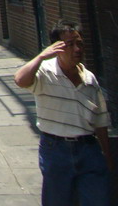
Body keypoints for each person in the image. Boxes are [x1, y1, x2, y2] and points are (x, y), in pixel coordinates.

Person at [14, 20, 113, 205]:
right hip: (55, 149)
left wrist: (107, 157)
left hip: (88, 149)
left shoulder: (89, 78)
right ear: (57, 48)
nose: (77, 49)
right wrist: (41, 56)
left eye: (80, 44)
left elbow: (100, 121)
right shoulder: (45, 72)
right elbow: (20, 79)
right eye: (69, 45)